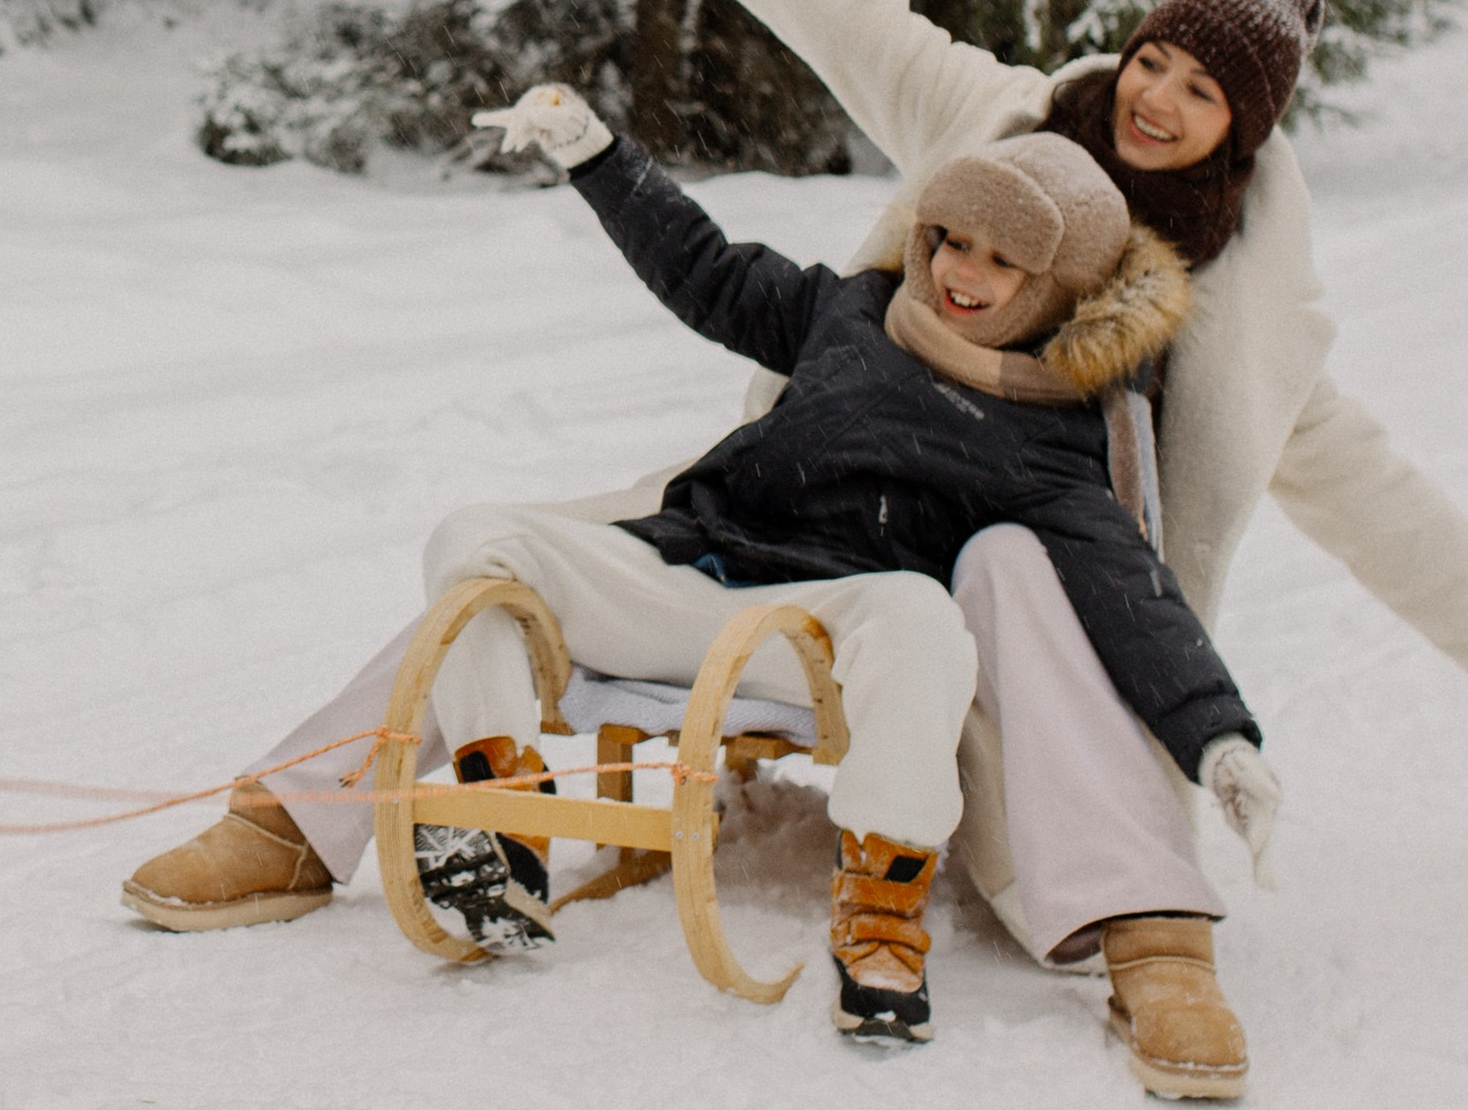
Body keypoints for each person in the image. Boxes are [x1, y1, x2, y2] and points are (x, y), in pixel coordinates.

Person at [126, 0, 1468, 1100]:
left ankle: (1151, 930)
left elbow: (1387, 516)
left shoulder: (1243, 305)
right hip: (815, 494)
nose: (1158, 100)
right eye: (1152, 62)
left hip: (1016, 587)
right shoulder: (991, 123)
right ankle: (311, 811)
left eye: (1202, 92)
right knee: (533, 548)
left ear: (1244, 128)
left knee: (1018, 561)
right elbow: (838, 7)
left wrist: (1219, 725)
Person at [406, 99, 1261, 1058]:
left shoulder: (1052, 436)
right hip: (692, 568)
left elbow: (1129, 591)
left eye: (1001, 259)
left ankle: (883, 913)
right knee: (476, 538)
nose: (959, 275)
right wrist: (598, 155)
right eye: (952, 241)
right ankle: (500, 814)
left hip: (820, 633)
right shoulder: (852, 310)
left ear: (1057, 288)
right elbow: (708, 271)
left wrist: (1218, 739)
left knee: (923, 613)